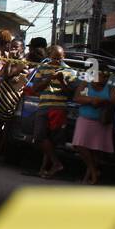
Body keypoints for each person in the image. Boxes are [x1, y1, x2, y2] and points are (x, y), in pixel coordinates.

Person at [29, 44, 75, 179]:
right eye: (54, 58)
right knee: (39, 137)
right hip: (44, 106)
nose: (57, 61)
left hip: (59, 107)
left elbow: (70, 94)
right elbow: (35, 88)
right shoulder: (42, 68)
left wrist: (62, 81)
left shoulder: (69, 71)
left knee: (51, 141)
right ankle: (56, 164)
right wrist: (48, 79)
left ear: (63, 56)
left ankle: (45, 169)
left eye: (59, 58)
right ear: (49, 57)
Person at [73, 67, 115, 185]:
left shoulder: (111, 88)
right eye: (102, 75)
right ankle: (94, 171)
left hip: (102, 122)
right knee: (79, 145)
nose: (105, 78)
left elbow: (114, 101)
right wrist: (91, 100)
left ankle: (89, 178)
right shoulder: (86, 84)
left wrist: (101, 101)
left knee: (95, 151)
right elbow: (76, 98)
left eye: (107, 76)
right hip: (85, 119)